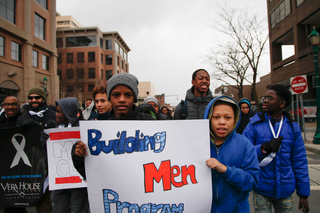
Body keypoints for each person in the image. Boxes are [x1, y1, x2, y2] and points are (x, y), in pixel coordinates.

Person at [72, 73, 155, 179]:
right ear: (109, 98)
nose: (122, 99)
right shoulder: (100, 131)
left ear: (134, 98)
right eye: (116, 95)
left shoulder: (149, 122)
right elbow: (92, 176)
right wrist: (78, 155)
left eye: (128, 95)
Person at [243, 84, 310, 213]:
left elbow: (299, 161)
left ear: (281, 104)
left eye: (269, 98)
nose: (265, 100)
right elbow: (243, 153)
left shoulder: (293, 128)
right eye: (264, 97)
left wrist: (303, 194)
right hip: (261, 188)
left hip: (285, 190)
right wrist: (263, 149)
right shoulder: (253, 125)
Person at [204, 96, 259, 212]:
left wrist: (225, 170)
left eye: (228, 117)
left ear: (235, 119)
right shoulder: (199, 144)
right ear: (209, 118)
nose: (222, 122)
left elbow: (252, 181)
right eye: (216, 117)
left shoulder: (245, 144)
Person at [16, 87, 56, 213]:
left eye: (37, 97)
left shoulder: (53, 115)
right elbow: (16, 140)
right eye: (30, 98)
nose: (33, 100)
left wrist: (56, 128)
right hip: (30, 163)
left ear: (43, 99)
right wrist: (23, 129)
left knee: (47, 199)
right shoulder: (22, 118)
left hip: (50, 163)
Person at [51, 97, 89, 213]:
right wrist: (45, 140)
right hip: (60, 181)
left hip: (78, 183)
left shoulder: (84, 128)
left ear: (68, 112)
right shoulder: (53, 129)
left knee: (77, 209)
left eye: (59, 111)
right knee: (59, 209)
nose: (56, 115)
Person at [0, 96, 25, 213]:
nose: (10, 107)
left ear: (18, 106)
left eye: (14, 104)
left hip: (20, 166)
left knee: (18, 200)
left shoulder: (25, 120)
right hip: (3, 164)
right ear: (3, 106)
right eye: (7, 104)